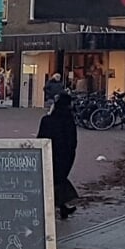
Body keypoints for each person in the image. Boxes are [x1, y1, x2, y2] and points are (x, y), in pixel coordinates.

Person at [36, 92, 78, 220]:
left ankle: (61, 206)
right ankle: (62, 206)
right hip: (64, 156)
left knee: (54, 180)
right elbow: (72, 140)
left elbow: (40, 138)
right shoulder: (68, 119)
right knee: (58, 180)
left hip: (49, 154)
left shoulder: (47, 120)